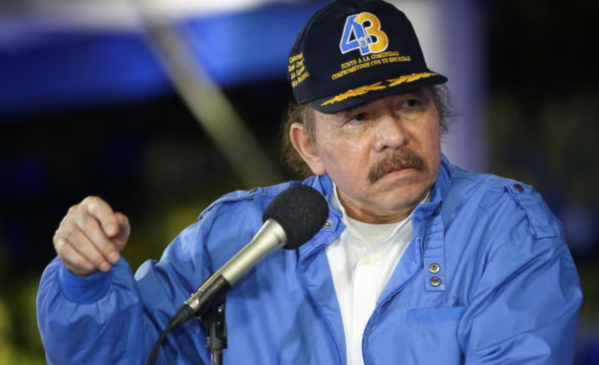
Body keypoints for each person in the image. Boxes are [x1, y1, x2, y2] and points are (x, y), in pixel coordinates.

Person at [37, 0, 582, 364]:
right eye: (360, 117)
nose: (393, 134)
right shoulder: (237, 237)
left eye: (410, 104)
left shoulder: (502, 226)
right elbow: (122, 354)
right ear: (308, 148)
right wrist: (84, 282)